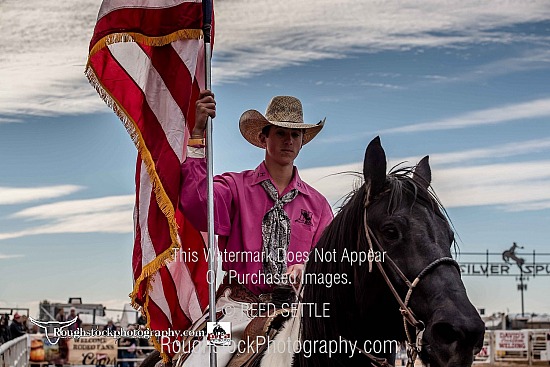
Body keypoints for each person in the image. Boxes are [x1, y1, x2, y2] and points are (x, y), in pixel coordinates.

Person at [180, 90, 333, 295]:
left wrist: (307, 270)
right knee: (207, 329)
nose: (288, 140)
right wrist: (198, 134)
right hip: (237, 303)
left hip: (297, 307)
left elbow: (330, 259)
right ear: (263, 138)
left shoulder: (318, 205)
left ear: (302, 142)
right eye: (280, 132)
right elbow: (198, 205)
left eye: (295, 134)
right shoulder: (234, 187)